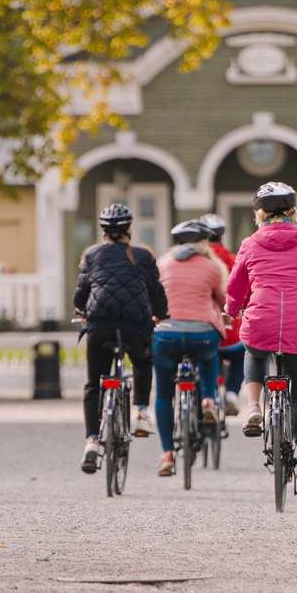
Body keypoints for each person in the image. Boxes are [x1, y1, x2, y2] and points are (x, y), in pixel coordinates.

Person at [225, 182, 297, 497]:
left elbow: (235, 286)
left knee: (254, 352)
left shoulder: (249, 243)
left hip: (261, 319)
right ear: (292, 212)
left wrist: (233, 310)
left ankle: (255, 407)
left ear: (260, 213)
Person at [74, 201, 167, 473]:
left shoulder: (91, 255)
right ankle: (139, 412)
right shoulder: (143, 255)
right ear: (129, 229)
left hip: (99, 325)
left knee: (93, 384)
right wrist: (160, 314)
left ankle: (92, 441)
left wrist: (81, 311)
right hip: (135, 326)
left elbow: (81, 293)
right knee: (142, 361)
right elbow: (156, 293)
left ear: (103, 231)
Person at [153, 219, 228, 476]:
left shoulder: (161, 265)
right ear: (203, 243)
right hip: (202, 334)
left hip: (166, 334)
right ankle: (208, 398)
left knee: (163, 394)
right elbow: (223, 299)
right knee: (209, 356)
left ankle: (167, 454)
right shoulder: (212, 267)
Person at [199, 213, 243, 415]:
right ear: (221, 238)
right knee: (242, 353)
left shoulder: (198, 262)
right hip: (233, 333)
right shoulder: (234, 261)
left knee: (206, 356)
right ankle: (233, 392)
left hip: (206, 332)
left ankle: (212, 395)